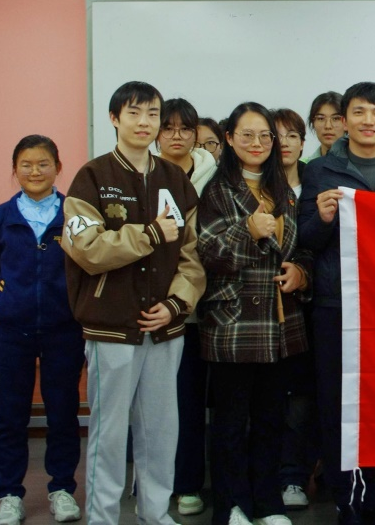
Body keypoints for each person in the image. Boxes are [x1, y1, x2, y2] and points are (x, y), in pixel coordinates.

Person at [61, 80, 206, 525]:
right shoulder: (92, 177)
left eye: (152, 114)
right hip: (110, 326)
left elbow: (192, 257)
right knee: (108, 433)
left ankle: (155, 513)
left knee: (161, 430)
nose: (145, 122)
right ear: (114, 118)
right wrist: (147, 235)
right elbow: (86, 249)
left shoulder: (175, 180)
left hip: (164, 328)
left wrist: (176, 305)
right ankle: (102, 518)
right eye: (134, 113)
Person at [298, 82, 375, 525]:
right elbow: (306, 238)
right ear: (344, 119)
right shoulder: (320, 171)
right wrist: (324, 217)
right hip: (337, 304)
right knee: (337, 406)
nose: (368, 121)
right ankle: (347, 501)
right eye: (359, 112)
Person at [196, 102, 311, 525]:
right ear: (229, 139)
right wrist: (246, 231)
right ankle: (231, 506)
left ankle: (268, 504)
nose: (258, 143)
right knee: (230, 424)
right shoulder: (216, 189)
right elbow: (209, 253)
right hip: (234, 322)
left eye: (265, 136)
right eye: (247, 135)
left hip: (279, 324)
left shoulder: (285, 190)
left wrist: (301, 273)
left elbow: (302, 248)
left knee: (270, 419)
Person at [0, 135, 84, 525]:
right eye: (26, 164)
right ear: (15, 169)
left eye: (43, 163)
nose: (35, 171)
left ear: (58, 167)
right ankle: (9, 495)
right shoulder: (0, 216)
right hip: (12, 332)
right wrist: (11, 299)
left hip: (63, 330)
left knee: (63, 414)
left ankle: (62, 490)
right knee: (10, 417)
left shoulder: (74, 213)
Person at [155, 98, 218, 516]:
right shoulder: (144, 174)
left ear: (196, 133)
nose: (176, 136)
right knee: (168, 404)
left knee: (204, 403)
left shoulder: (216, 174)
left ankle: (199, 483)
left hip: (212, 307)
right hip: (164, 307)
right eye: (168, 128)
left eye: (185, 128)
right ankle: (171, 484)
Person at [269, 107, 319, 510]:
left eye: (292, 136)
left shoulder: (316, 180)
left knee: (304, 396)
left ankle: (294, 476)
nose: (284, 143)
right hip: (267, 310)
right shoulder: (253, 185)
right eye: (277, 135)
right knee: (270, 397)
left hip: (312, 305)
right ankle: (268, 477)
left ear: (304, 143)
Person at [303, 91, 346, 162]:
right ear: (313, 123)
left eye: (336, 118)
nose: (328, 126)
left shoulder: (360, 163)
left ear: (347, 122)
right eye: (321, 119)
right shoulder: (305, 165)